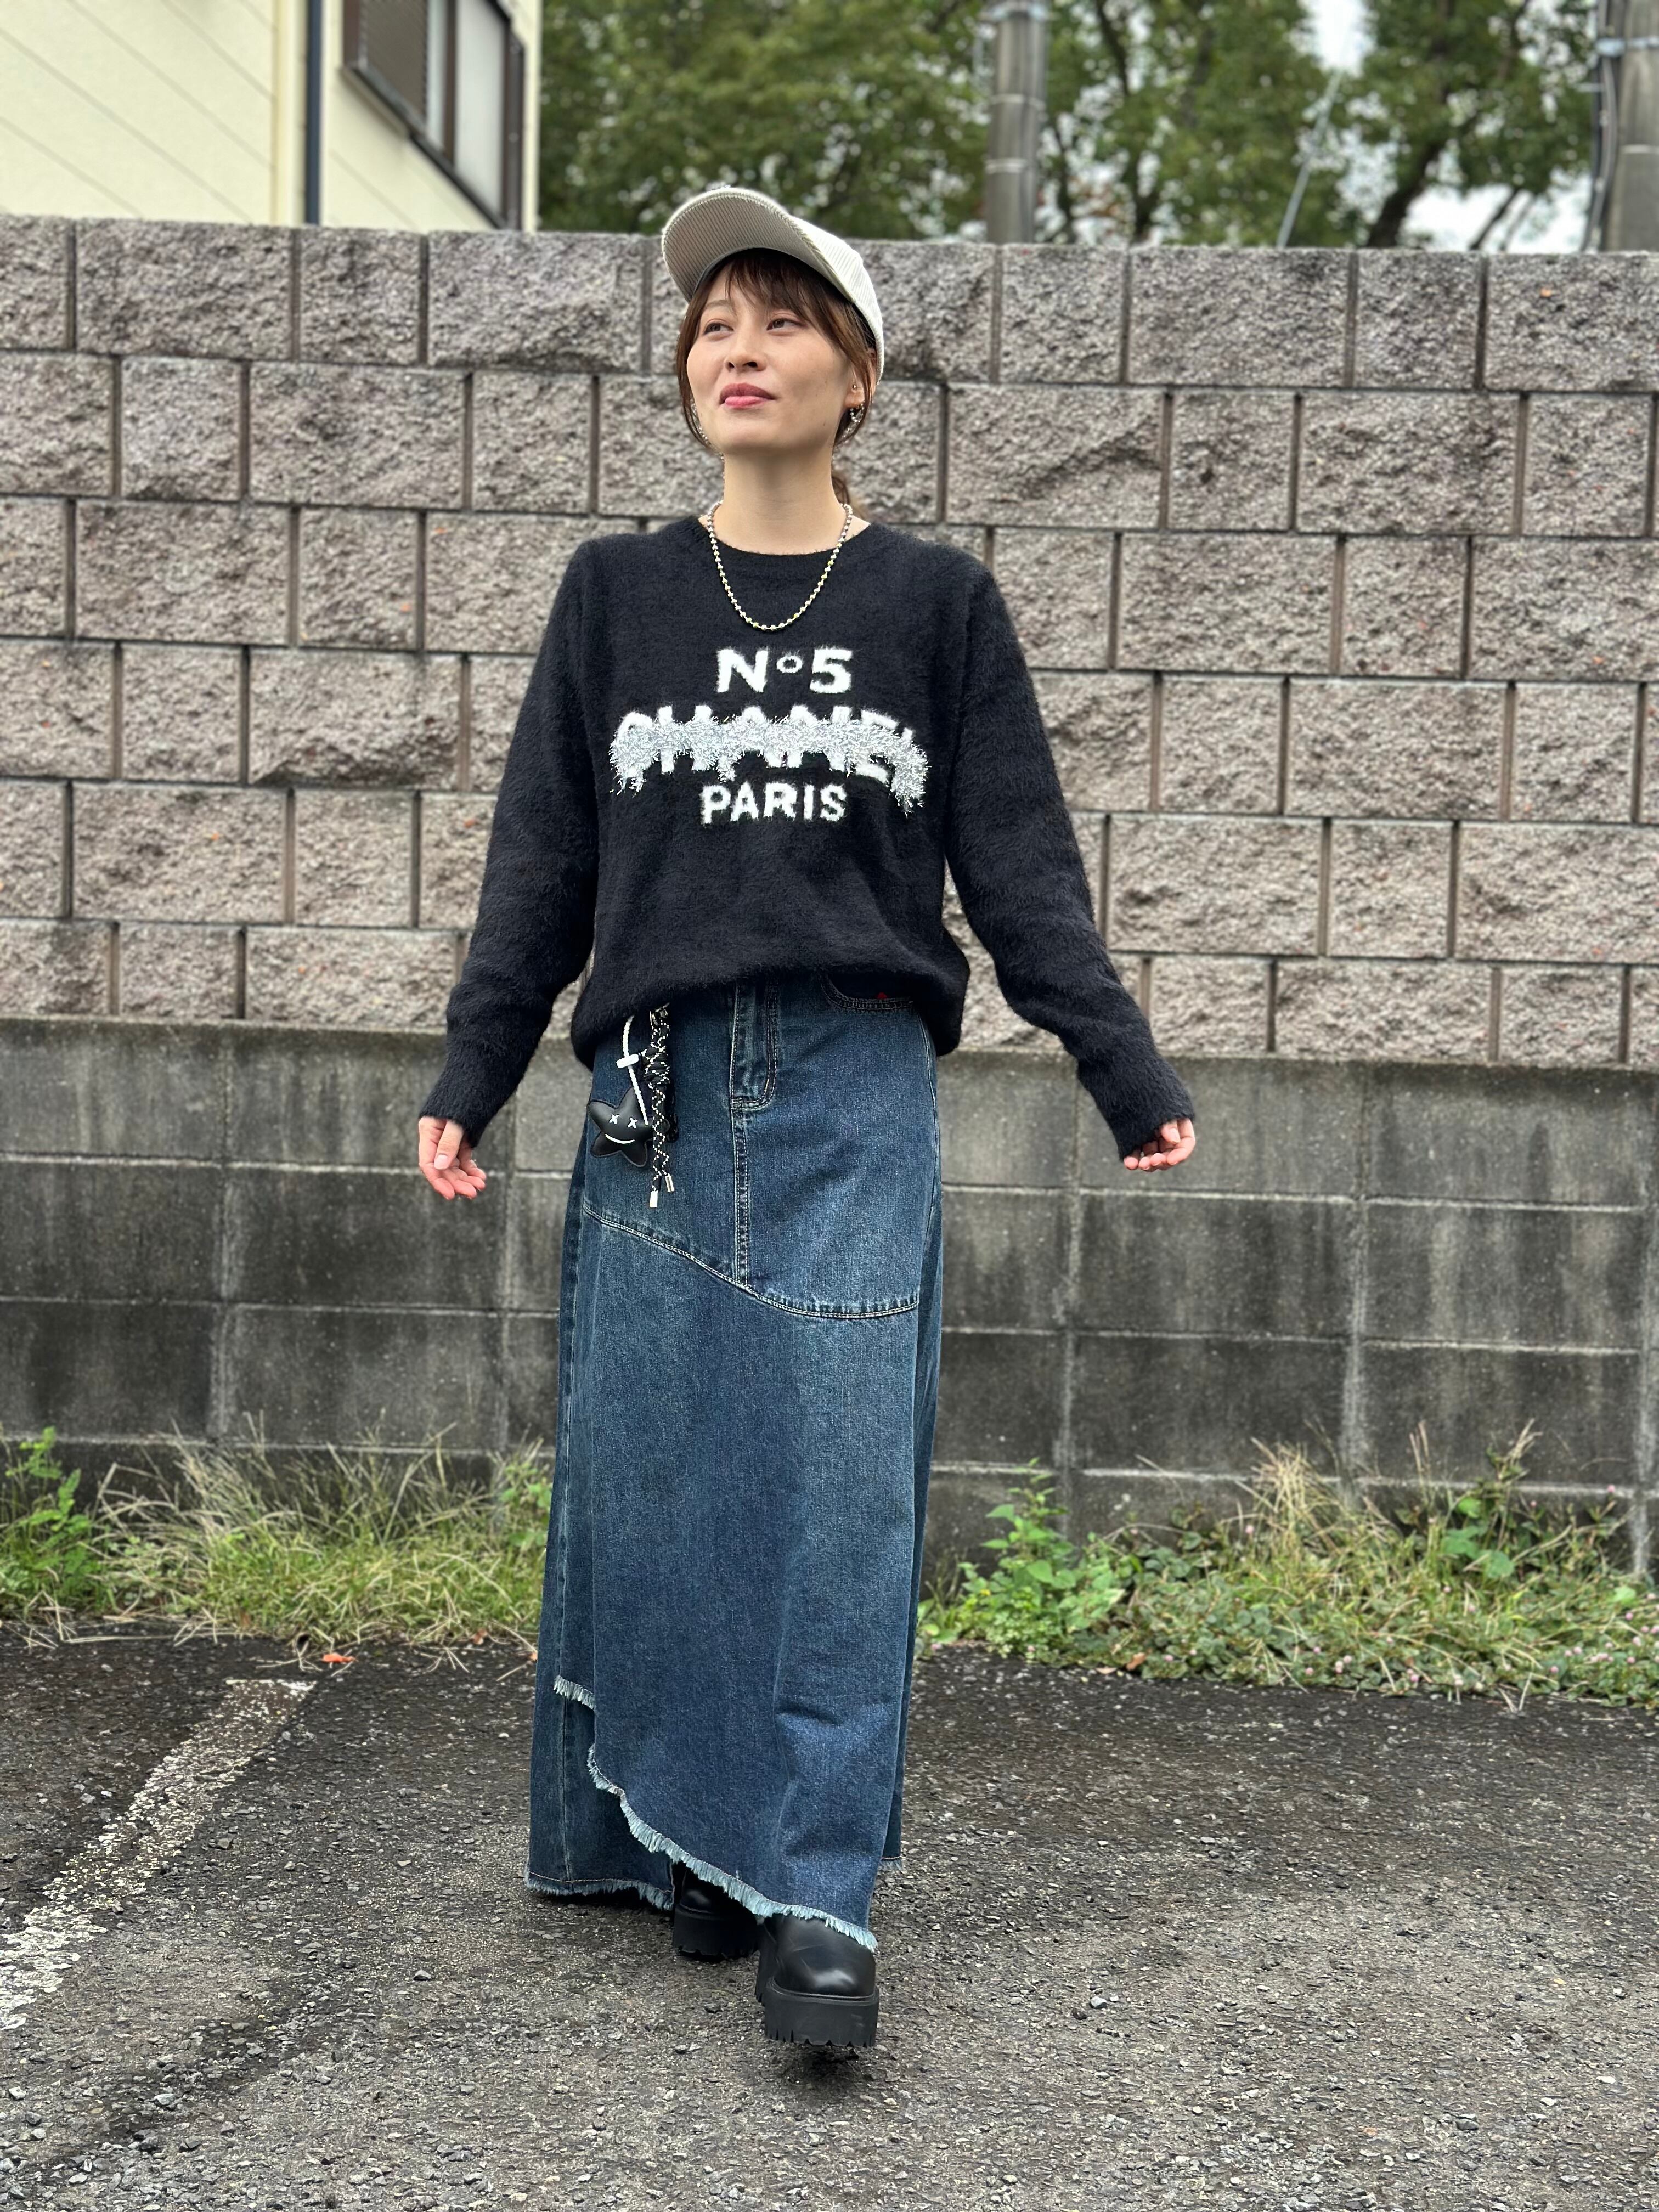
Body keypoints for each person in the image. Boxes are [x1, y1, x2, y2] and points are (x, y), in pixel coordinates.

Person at [415, 184, 1197, 2050]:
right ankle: (697, 1840)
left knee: (836, 1495)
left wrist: (1119, 1061)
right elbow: (542, 862)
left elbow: (1018, 865)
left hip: (853, 1090)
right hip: (657, 1097)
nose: (737, 350)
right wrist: (473, 1068)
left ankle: (821, 1897)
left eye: (778, 321)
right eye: (711, 326)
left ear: (858, 378)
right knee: (667, 1479)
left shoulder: (936, 604)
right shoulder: (615, 596)